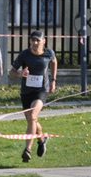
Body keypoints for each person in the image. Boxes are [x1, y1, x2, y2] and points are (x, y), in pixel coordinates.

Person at [10, 30, 57, 163]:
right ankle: (42, 139)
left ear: (44, 41)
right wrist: (20, 74)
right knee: (32, 120)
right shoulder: (25, 54)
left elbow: (54, 62)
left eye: (38, 40)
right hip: (26, 93)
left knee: (32, 116)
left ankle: (27, 150)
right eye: (33, 40)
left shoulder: (49, 53)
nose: (35, 43)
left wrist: (53, 80)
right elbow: (11, 73)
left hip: (41, 91)